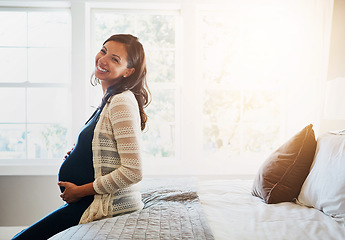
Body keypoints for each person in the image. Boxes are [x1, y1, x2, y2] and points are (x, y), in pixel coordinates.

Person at [12, 34, 151, 240]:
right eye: (103, 51)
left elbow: (133, 171)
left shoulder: (122, 101)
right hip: (86, 201)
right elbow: (107, 148)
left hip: (99, 204)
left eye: (115, 59)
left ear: (128, 71)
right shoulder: (109, 100)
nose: (103, 59)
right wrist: (82, 152)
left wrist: (80, 191)